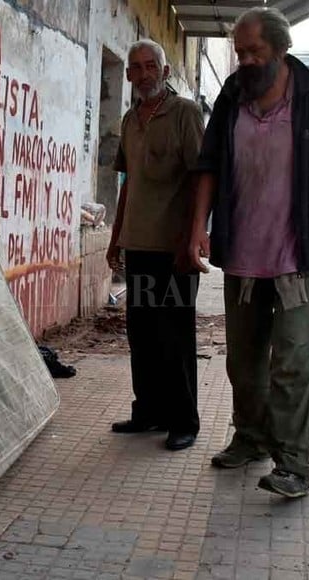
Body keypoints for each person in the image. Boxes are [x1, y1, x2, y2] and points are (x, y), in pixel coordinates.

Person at [185, 7, 309, 497]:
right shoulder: (232, 93)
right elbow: (209, 165)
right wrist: (198, 226)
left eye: (255, 52)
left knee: (292, 362)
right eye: (240, 52)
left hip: (296, 257)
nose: (245, 60)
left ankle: (295, 464)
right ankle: (251, 438)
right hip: (242, 254)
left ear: (282, 49)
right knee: (243, 362)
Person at [106, 39, 205, 451]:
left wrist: (192, 238)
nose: (144, 74)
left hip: (175, 249)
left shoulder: (185, 113)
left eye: (151, 66)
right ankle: (148, 411)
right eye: (136, 67)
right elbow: (128, 183)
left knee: (174, 336)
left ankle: (184, 421)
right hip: (140, 246)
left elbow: (201, 178)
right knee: (143, 335)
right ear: (129, 74)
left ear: (164, 71)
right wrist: (116, 237)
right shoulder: (130, 120)